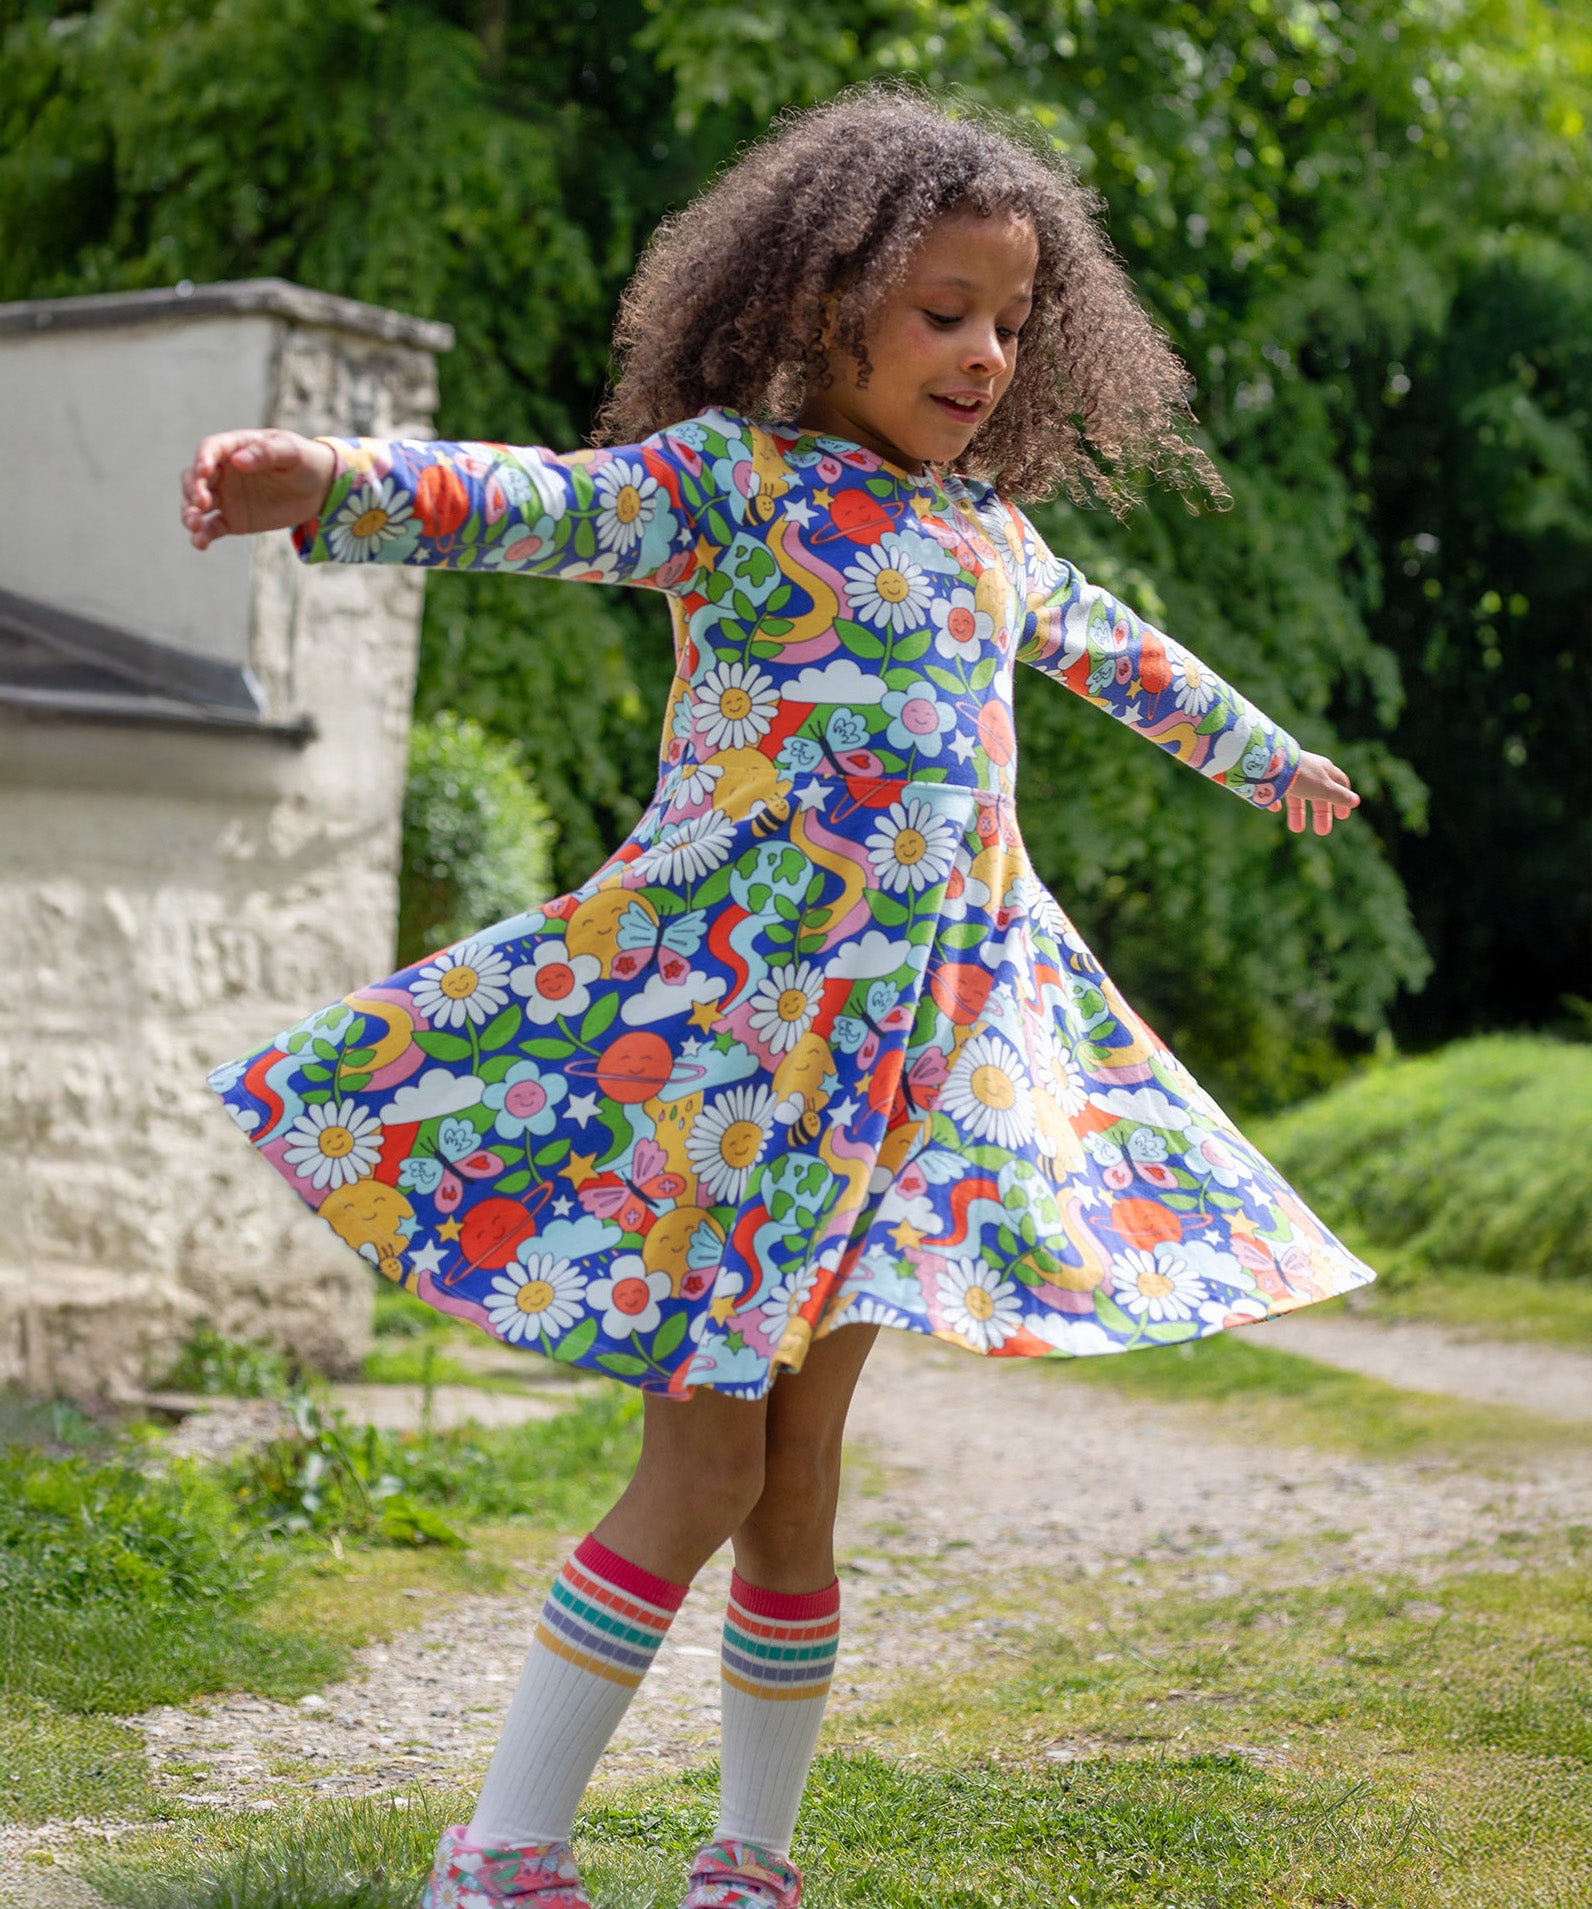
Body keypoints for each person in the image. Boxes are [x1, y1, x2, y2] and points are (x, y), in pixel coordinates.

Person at [180, 88, 1369, 1909]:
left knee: (797, 1476)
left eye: (1011, 321)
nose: (984, 351)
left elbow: (1128, 657)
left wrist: (1269, 755)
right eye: (943, 308)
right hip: (740, 1058)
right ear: (825, 303)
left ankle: (748, 1862)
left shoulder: (985, 538)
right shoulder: (731, 484)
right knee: (709, 1457)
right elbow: (543, 502)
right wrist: (336, 483)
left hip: (912, 1070)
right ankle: (498, 1852)